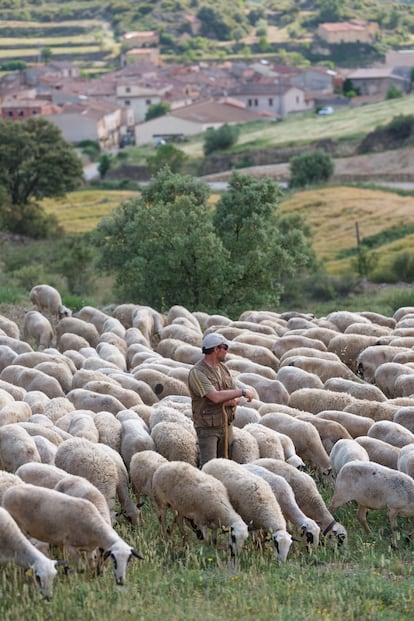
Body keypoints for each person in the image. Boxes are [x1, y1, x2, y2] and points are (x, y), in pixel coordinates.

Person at [188, 332, 254, 467]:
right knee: (209, 467)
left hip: (226, 424)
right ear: (215, 349)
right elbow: (215, 397)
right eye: (225, 347)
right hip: (208, 428)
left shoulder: (223, 368)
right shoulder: (197, 372)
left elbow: (230, 396)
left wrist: (233, 399)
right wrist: (241, 392)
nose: (227, 351)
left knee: (225, 466)